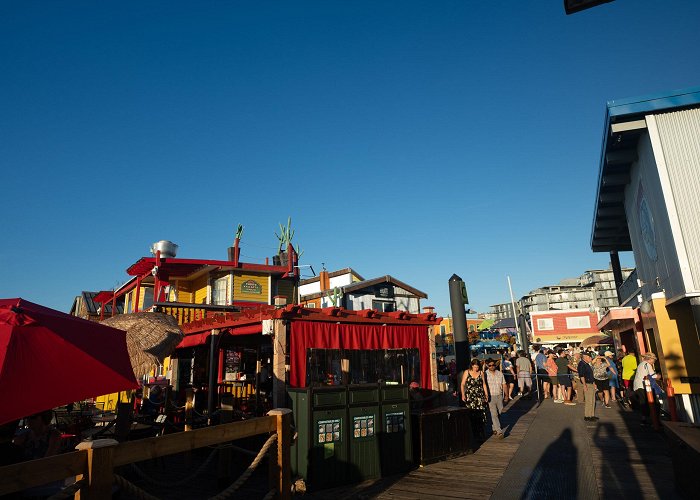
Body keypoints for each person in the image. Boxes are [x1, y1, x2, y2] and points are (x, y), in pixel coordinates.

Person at [461, 359, 487, 440]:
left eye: (477, 367)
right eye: (475, 367)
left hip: (479, 395)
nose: (476, 368)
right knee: (472, 414)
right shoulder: (467, 372)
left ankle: (481, 433)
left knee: (481, 414)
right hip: (470, 396)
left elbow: (484, 384)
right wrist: (463, 394)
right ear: (472, 366)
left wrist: (486, 394)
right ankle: (474, 433)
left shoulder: (481, 372)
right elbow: (462, 384)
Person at [633, 352, 660, 426]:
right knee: (654, 403)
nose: (654, 362)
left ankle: (644, 420)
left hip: (638, 385)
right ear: (650, 359)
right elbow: (653, 376)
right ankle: (655, 420)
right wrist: (659, 376)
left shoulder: (641, 364)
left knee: (643, 402)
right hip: (644, 386)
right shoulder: (647, 364)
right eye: (653, 360)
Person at [484, 360, 509, 438]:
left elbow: (504, 384)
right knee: (494, 414)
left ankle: (494, 427)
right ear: (487, 366)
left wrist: (507, 395)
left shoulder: (500, 373)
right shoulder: (485, 374)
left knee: (500, 413)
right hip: (490, 396)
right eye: (490, 365)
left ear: (496, 365)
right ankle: (499, 431)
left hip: (499, 395)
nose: (492, 366)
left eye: (493, 365)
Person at [578, 352, 598, 422]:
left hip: (591, 383)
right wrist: (584, 385)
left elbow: (591, 375)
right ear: (585, 357)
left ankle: (592, 415)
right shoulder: (582, 364)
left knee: (593, 400)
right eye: (589, 357)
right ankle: (587, 416)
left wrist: (594, 383)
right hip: (587, 384)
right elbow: (581, 375)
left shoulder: (587, 364)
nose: (591, 359)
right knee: (589, 401)